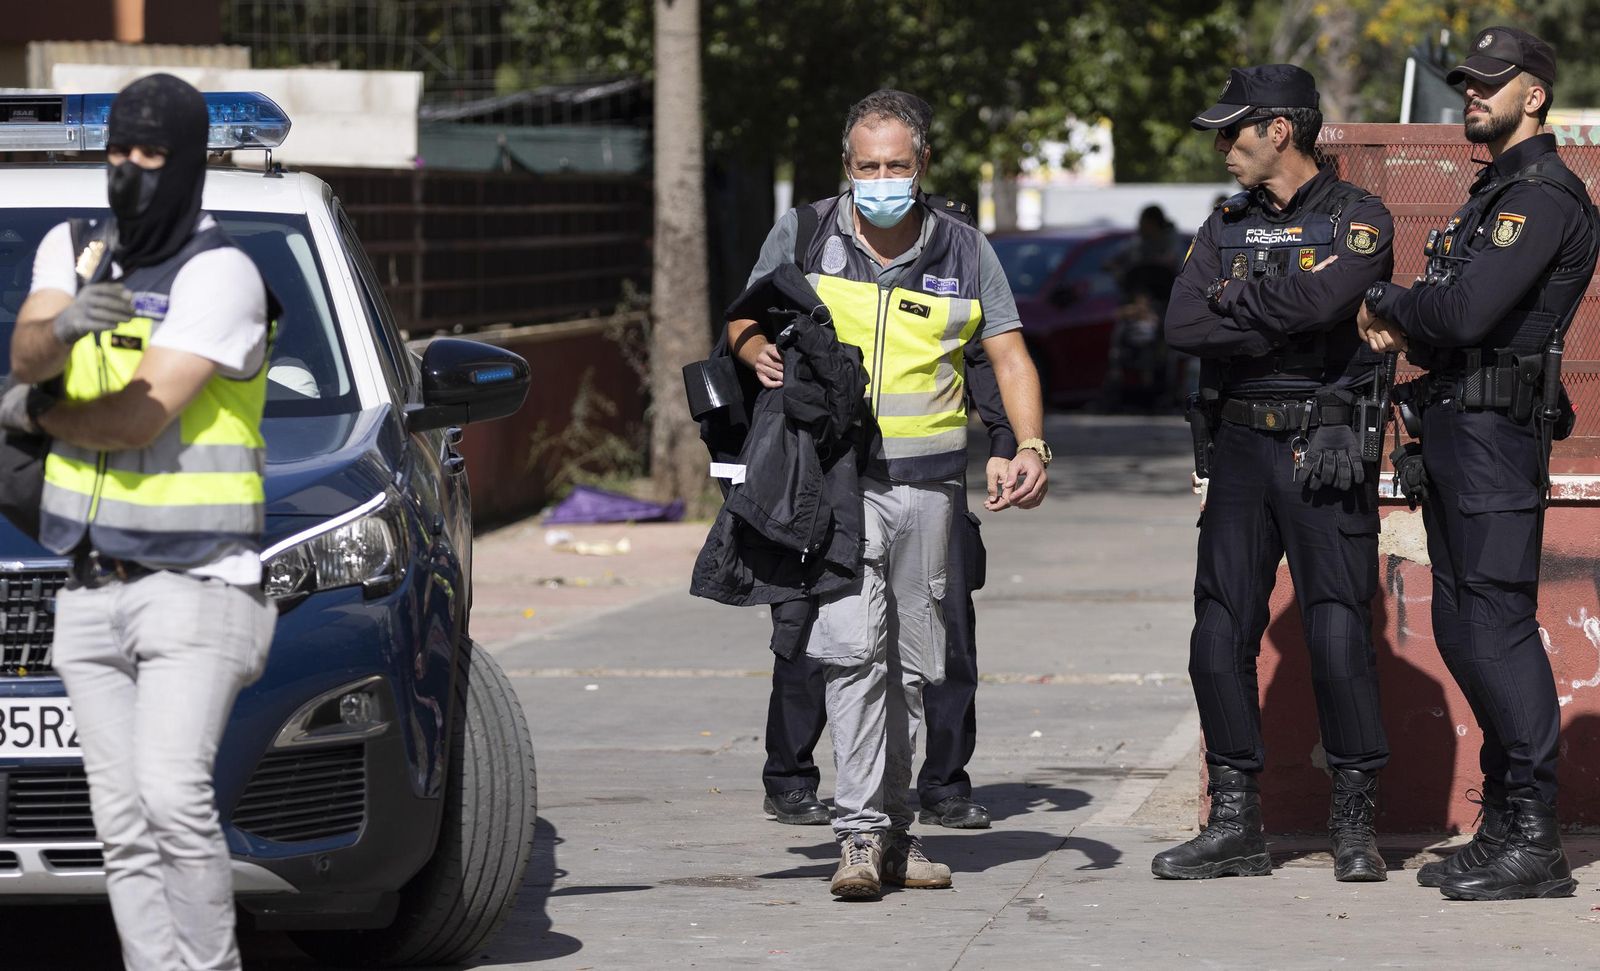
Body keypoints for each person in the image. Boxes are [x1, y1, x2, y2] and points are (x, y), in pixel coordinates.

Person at [729, 89, 1049, 900]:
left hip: (930, 490)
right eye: (867, 166)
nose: (881, 180)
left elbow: (1008, 354)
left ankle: (899, 834)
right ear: (848, 166)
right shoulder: (804, 233)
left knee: (911, 666)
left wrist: (1029, 444)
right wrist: (759, 349)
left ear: (923, 166)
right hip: (832, 487)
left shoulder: (965, 251)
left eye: (896, 166)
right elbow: (743, 319)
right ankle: (858, 837)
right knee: (849, 652)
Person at [0, 74, 277, 968]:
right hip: (87, 592)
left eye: (151, 155)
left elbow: (137, 417)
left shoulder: (222, 272)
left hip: (198, 589)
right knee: (120, 824)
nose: (130, 170)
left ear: (187, 161)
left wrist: (32, 415)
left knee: (170, 795)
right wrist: (70, 322)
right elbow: (29, 346)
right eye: (118, 151)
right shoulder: (72, 248)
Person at [1360, 27, 1598, 901]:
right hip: (1459, 429)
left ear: (1534, 94)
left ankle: (1536, 838)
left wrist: (1385, 298)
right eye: (1466, 84)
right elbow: (1452, 311)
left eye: (1489, 84)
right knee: (1463, 626)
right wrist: (1416, 311)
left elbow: (1461, 313)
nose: (1472, 96)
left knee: (1494, 626)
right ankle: (1503, 818)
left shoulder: (1542, 198)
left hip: (1499, 436)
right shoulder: (1492, 193)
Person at [1154, 64, 1396, 883]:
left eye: (1234, 131)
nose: (1223, 146)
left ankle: (1355, 823)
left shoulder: (1359, 217)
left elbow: (1327, 309)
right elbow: (1181, 323)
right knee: (1217, 631)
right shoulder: (1223, 222)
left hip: (1323, 444)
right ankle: (1235, 821)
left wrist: (1240, 303)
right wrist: (1281, 303)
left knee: (1334, 632)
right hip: (1240, 447)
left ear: (1280, 131)